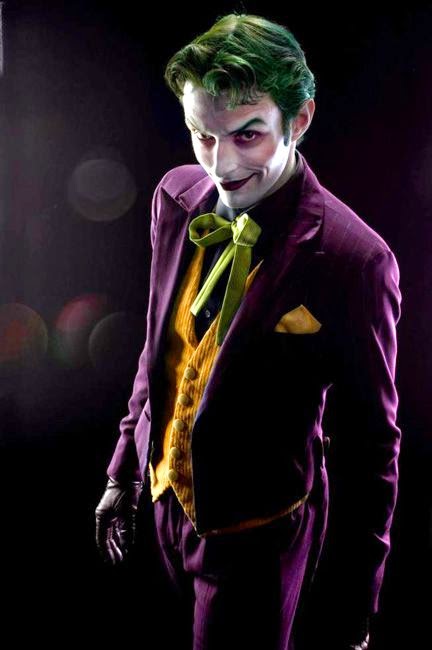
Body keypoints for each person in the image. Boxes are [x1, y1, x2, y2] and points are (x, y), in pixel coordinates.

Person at [95, 12, 402, 650]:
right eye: (202, 136)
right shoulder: (174, 198)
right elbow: (160, 349)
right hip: (156, 511)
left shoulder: (355, 260)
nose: (220, 164)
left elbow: (371, 448)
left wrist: (353, 605)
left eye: (247, 135)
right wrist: (123, 471)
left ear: (300, 119)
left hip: (254, 543)